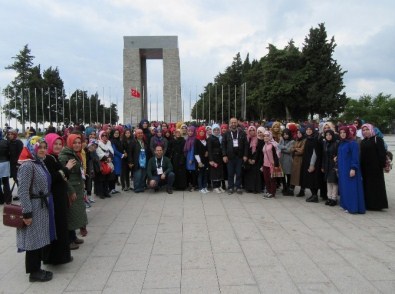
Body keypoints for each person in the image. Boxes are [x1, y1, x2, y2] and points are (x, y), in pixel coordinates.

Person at [17, 136, 55, 282]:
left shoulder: (39, 163)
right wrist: (27, 212)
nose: (43, 150)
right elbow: (22, 191)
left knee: (39, 239)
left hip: (41, 207)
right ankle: (34, 272)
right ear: (32, 148)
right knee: (33, 241)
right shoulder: (27, 165)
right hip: (33, 207)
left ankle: (37, 268)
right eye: (40, 147)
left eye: (45, 147)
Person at [43, 133, 75, 264]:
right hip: (54, 199)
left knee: (61, 226)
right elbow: (51, 178)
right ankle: (57, 258)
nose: (57, 146)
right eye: (55, 144)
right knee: (57, 227)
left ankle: (61, 256)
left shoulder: (53, 158)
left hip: (59, 197)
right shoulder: (47, 159)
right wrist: (66, 169)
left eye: (60, 144)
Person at [58, 134, 88, 249]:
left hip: (78, 187)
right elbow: (64, 175)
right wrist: (70, 190)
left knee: (76, 214)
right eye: (74, 143)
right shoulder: (64, 156)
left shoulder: (75, 154)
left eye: (79, 143)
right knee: (70, 214)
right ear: (70, 143)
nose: (77, 145)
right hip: (71, 188)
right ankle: (69, 240)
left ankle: (73, 236)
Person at [337, 126, 365, 214]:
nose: (342, 134)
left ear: (348, 133)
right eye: (341, 133)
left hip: (349, 169)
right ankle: (346, 205)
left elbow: (355, 157)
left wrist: (353, 168)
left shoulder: (352, 143)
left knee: (351, 188)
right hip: (342, 169)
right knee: (344, 187)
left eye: (344, 132)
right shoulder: (342, 143)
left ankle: (353, 207)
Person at [360, 123, 388, 210]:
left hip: (375, 168)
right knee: (367, 186)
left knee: (376, 186)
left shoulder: (377, 139)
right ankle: (369, 204)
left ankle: (378, 205)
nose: (365, 132)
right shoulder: (363, 141)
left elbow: (382, 154)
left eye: (367, 129)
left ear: (371, 130)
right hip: (365, 168)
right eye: (363, 130)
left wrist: (381, 165)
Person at [222, 117, 248, 195]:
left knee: (239, 173)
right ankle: (230, 187)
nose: (233, 124)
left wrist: (245, 155)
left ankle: (238, 187)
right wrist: (224, 155)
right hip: (229, 157)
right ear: (230, 124)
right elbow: (223, 145)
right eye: (232, 122)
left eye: (235, 122)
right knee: (230, 173)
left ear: (237, 123)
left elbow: (246, 145)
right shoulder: (226, 133)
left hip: (239, 157)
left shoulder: (242, 133)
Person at [300, 125, 322, 203]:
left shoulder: (315, 139)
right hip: (307, 161)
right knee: (309, 179)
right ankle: (313, 195)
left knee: (313, 179)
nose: (308, 131)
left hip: (313, 162)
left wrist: (312, 164)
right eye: (307, 129)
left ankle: (315, 196)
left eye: (310, 129)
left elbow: (314, 153)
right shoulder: (308, 139)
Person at [321, 129, 339, 206]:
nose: (328, 136)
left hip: (334, 165)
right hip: (327, 165)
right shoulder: (325, 143)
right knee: (328, 181)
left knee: (334, 182)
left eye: (330, 135)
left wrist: (336, 159)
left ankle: (334, 198)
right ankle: (329, 197)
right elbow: (323, 155)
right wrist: (322, 166)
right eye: (327, 135)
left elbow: (339, 154)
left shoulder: (336, 143)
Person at [262, 130, 281, 199]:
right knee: (266, 179)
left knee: (272, 179)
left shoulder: (273, 145)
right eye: (265, 136)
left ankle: (272, 193)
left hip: (272, 165)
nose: (266, 137)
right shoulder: (265, 144)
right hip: (265, 164)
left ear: (270, 136)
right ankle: (268, 191)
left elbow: (276, 155)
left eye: (267, 136)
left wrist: (276, 165)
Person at [243, 126, 261, 194]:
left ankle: (254, 188)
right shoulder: (246, 139)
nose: (251, 131)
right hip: (248, 159)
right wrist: (248, 159)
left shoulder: (258, 139)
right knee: (248, 174)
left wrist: (254, 159)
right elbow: (245, 149)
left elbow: (258, 151)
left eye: (253, 130)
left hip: (255, 160)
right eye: (250, 130)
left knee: (255, 175)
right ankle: (248, 188)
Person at [207, 124, 224, 193]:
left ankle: (219, 186)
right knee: (214, 172)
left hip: (220, 157)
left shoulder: (221, 137)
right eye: (215, 130)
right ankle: (215, 187)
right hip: (214, 158)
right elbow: (209, 150)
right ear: (212, 131)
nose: (216, 131)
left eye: (217, 130)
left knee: (220, 172)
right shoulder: (210, 138)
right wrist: (211, 160)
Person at [7, 129, 23, 200]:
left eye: (11, 134)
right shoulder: (9, 142)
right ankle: (20, 194)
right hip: (12, 164)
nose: (10, 135)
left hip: (17, 164)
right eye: (9, 134)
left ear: (15, 135)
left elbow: (21, 153)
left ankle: (22, 195)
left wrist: (19, 163)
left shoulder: (18, 142)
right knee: (15, 178)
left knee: (18, 179)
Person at [130, 128, 148, 193]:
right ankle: (137, 188)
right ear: (136, 134)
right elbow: (130, 153)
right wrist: (131, 162)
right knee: (137, 175)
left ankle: (141, 187)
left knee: (143, 175)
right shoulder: (133, 142)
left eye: (141, 133)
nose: (140, 134)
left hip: (144, 161)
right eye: (139, 133)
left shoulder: (144, 141)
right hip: (137, 161)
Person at [278, 129, 295, 196]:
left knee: (288, 175)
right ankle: (284, 187)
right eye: (284, 134)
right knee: (282, 175)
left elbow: (289, 151)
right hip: (281, 159)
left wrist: (282, 148)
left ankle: (288, 188)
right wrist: (285, 148)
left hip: (288, 160)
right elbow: (278, 147)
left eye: (287, 134)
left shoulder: (292, 141)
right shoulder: (282, 140)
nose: (285, 136)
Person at [290, 128, 306, 196]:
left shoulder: (305, 140)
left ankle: (302, 190)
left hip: (301, 160)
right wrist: (296, 149)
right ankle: (291, 190)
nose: (298, 134)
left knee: (301, 176)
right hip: (295, 160)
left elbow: (302, 151)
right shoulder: (296, 140)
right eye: (298, 133)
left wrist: (295, 150)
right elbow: (291, 149)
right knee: (294, 175)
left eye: (300, 133)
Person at [194, 126, 210, 194]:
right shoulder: (196, 140)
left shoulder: (206, 140)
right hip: (199, 160)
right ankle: (200, 187)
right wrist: (199, 162)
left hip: (206, 160)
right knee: (200, 174)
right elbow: (196, 152)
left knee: (205, 174)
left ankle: (204, 187)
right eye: (200, 131)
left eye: (203, 131)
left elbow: (208, 149)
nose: (202, 132)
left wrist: (207, 152)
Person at [184, 126, 197, 191]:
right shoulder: (188, 139)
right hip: (188, 157)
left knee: (193, 172)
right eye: (189, 131)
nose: (190, 132)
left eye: (192, 131)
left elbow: (193, 150)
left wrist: (191, 159)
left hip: (192, 158)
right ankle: (191, 184)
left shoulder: (194, 139)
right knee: (189, 172)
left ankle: (194, 186)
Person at [0, 136, 11, 205]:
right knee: (6, 182)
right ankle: (8, 199)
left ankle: (1, 200)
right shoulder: (6, 142)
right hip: (5, 162)